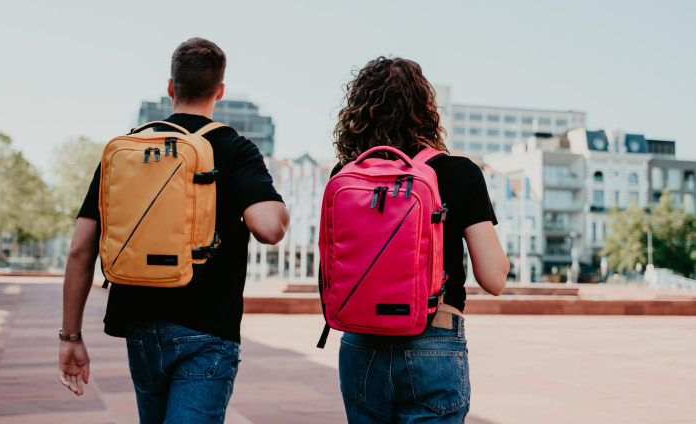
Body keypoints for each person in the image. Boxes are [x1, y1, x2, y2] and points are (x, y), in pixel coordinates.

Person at [58, 37, 290, 424]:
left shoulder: (127, 149)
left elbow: (81, 249)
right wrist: (281, 210)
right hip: (207, 327)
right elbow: (269, 228)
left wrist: (70, 336)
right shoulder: (234, 148)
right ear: (219, 91)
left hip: (140, 323)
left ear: (171, 87)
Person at [330, 57, 509, 423]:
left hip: (360, 344)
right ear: (426, 108)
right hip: (434, 339)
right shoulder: (459, 173)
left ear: (358, 110)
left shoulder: (344, 175)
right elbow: (494, 278)